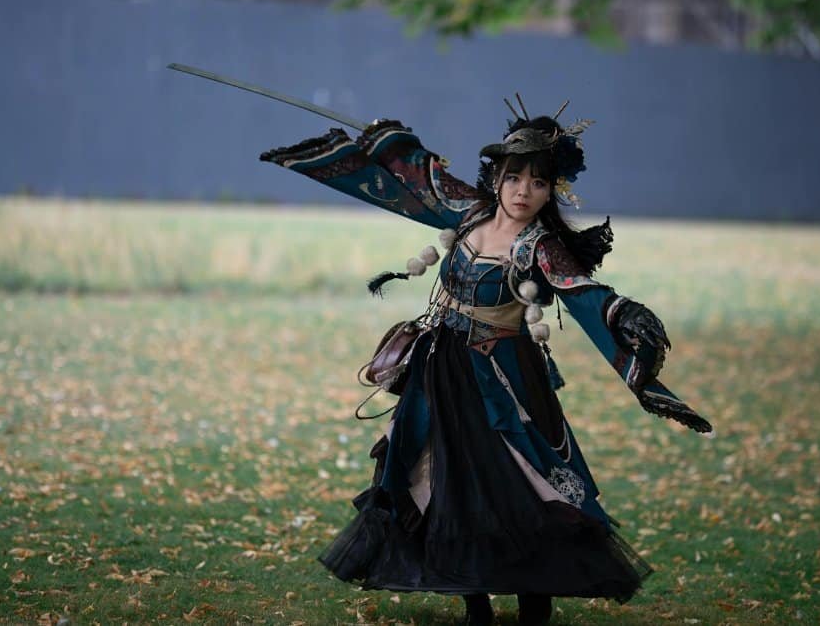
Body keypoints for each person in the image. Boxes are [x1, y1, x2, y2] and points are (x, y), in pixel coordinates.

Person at [260, 101, 709, 625]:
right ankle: (474, 600)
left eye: (538, 183)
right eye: (513, 177)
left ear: (550, 192)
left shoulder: (538, 246)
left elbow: (583, 291)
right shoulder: (466, 213)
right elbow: (417, 178)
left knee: (517, 481)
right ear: (495, 178)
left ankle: (533, 601)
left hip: (503, 380)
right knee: (439, 476)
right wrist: (376, 147)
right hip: (440, 371)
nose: (523, 191)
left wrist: (624, 313)